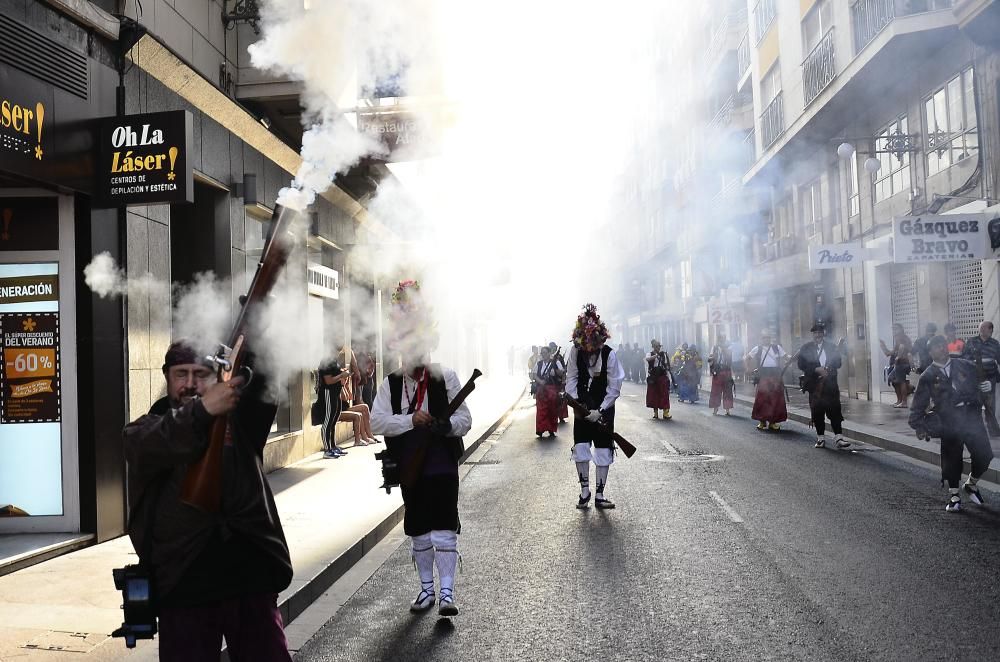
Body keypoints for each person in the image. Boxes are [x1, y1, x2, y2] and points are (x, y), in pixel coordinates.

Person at [123, 341, 293, 661]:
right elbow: (144, 444)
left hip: (249, 580)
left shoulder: (241, 421)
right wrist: (202, 410)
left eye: (200, 374)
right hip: (184, 584)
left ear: (217, 377)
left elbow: (266, 373)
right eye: (180, 374)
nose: (189, 383)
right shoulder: (150, 427)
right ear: (167, 377)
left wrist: (256, 328)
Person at [370, 280, 472, 616]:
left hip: (441, 463)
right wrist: (410, 421)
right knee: (417, 525)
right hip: (409, 465)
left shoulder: (448, 377)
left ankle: (445, 593)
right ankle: (426, 590)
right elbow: (377, 422)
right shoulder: (391, 383)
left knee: (444, 524)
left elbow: (465, 420)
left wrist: (446, 426)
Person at [910, 335, 994, 512]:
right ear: (930, 352)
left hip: (972, 418)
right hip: (948, 421)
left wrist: (986, 386)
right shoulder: (928, 376)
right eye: (937, 346)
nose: (942, 348)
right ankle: (954, 495)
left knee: (985, 455)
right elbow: (918, 405)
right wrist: (919, 426)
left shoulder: (965, 365)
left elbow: (980, 384)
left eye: (943, 345)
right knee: (952, 458)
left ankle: (971, 484)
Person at [566, 303, 625, 510]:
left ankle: (600, 495)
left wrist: (599, 410)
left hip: (603, 411)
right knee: (581, 449)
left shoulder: (610, 355)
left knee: (602, 450)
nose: (588, 354)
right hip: (582, 410)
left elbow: (615, 387)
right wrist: (578, 404)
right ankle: (585, 492)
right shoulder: (575, 352)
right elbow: (571, 378)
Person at [798, 324, 849, 449]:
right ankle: (820, 438)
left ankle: (839, 438)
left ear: (823, 333)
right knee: (817, 412)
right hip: (815, 385)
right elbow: (801, 365)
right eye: (815, 333)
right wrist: (816, 369)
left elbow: (838, 363)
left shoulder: (832, 347)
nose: (817, 335)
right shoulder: (806, 348)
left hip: (830, 384)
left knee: (835, 411)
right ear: (813, 334)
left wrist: (830, 367)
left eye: (820, 332)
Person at [962, 320, 1000, 437]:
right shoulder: (972, 341)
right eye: (980, 328)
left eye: (984, 328)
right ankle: (975, 430)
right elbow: (964, 357)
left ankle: (994, 431)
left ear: (991, 330)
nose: (981, 330)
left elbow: (998, 360)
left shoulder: (995, 344)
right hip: (974, 377)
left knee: (990, 406)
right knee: (975, 404)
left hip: (990, 378)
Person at [745, 330, 789, 431]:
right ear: (761, 339)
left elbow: (786, 357)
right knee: (762, 399)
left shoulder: (777, 348)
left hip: (775, 375)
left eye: (768, 337)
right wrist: (748, 369)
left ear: (770, 338)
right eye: (764, 338)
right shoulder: (757, 349)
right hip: (763, 376)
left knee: (775, 399)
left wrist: (790, 359)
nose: (766, 339)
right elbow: (747, 358)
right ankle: (762, 421)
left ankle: (773, 422)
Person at [317, 357, 350, 458]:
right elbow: (328, 381)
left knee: (333, 420)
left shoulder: (334, 360)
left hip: (335, 393)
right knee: (328, 421)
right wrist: (341, 375)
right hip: (328, 393)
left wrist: (341, 372)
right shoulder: (326, 360)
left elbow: (334, 375)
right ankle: (327, 450)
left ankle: (333, 446)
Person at [879, 323, 913, 408]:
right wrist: (883, 346)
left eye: (896, 328)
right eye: (893, 329)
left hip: (903, 363)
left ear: (901, 329)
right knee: (893, 380)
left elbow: (902, 347)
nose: (894, 330)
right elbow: (889, 353)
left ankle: (904, 401)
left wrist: (898, 357)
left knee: (900, 381)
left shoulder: (902, 338)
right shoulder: (898, 339)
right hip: (899, 364)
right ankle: (900, 400)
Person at [534, 346, 564, 437]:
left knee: (552, 409)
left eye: (545, 352)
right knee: (541, 410)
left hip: (552, 389)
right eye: (542, 353)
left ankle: (551, 429)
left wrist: (554, 371)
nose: (543, 354)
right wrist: (540, 381)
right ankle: (540, 429)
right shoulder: (538, 364)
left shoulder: (556, 362)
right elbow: (534, 375)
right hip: (542, 390)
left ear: (549, 353)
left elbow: (562, 372)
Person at [645, 339, 672, 420]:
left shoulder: (663, 354)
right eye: (657, 346)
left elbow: (667, 365)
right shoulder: (650, 354)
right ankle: (655, 413)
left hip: (662, 376)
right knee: (654, 395)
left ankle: (665, 413)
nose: (658, 348)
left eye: (659, 346)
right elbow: (648, 359)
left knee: (664, 394)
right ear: (653, 347)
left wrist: (668, 374)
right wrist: (656, 355)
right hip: (653, 377)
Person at [708, 334, 734, 416]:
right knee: (716, 391)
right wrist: (711, 361)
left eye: (723, 338)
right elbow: (710, 359)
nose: (721, 340)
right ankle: (715, 409)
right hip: (718, 371)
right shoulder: (714, 348)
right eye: (720, 339)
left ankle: (727, 410)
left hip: (726, 371)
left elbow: (729, 357)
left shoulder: (729, 347)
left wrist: (724, 349)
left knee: (728, 391)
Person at [549, 341, 569, 423]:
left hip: (559, 381)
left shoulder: (559, 357)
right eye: (551, 347)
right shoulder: (547, 357)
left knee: (561, 399)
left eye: (554, 347)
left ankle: (561, 416)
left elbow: (563, 369)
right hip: (550, 382)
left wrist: (563, 378)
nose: (553, 349)